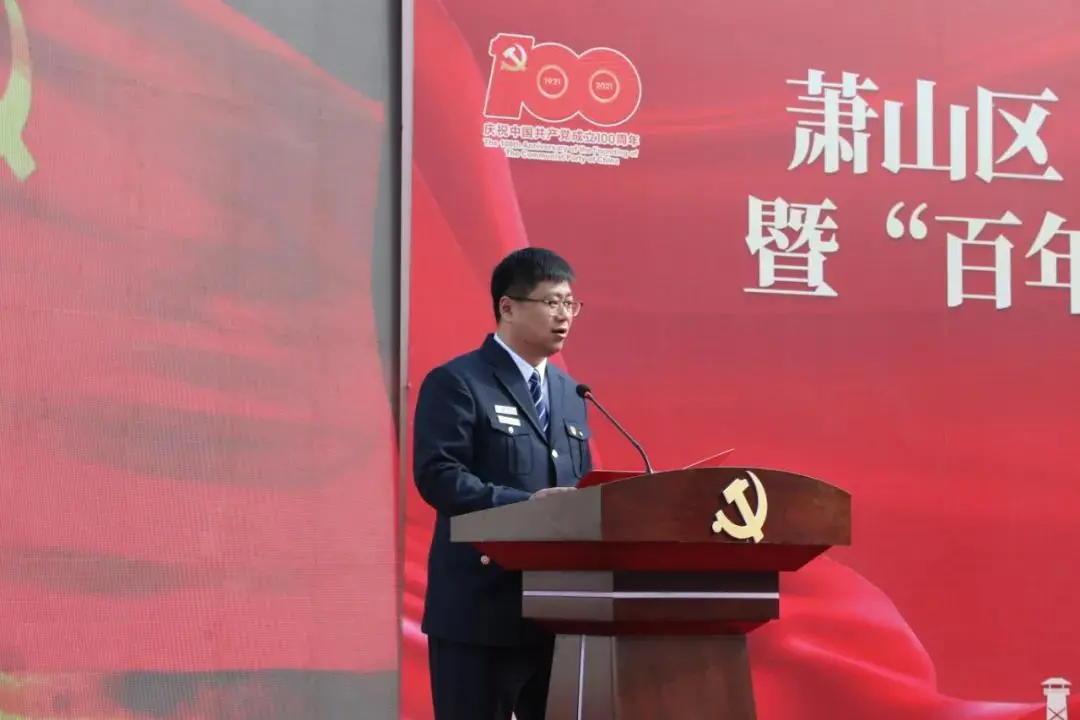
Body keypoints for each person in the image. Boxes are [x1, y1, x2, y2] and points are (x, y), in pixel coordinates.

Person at [412, 247, 593, 720]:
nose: (564, 316)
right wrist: (527, 504)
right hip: (479, 610)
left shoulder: (572, 395)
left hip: (557, 612)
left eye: (570, 303)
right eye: (551, 302)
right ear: (507, 307)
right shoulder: (459, 381)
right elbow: (439, 476)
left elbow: (581, 488)